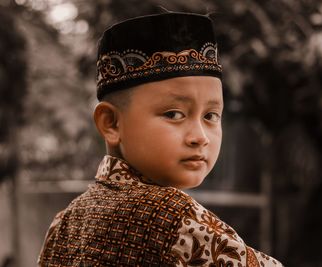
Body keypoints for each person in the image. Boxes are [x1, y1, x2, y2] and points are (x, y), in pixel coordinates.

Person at [38, 12, 283, 266]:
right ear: (111, 123)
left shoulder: (64, 224)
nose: (200, 137)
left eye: (211, 115)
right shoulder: (172, 216)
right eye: (174, 114)